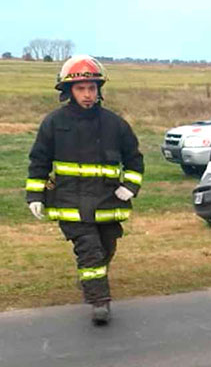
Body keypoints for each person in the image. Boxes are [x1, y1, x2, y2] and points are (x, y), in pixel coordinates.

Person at [25, 55, 144, 325]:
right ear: (69, 91)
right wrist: (35, 195)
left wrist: (130, 186)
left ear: (99, 89)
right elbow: (39, 161)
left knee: (105, 248)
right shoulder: (54, 123)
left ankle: (91, 279)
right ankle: (99, 302)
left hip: (107, 202)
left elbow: (134, 159)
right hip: (70, 202)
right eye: (81, 89)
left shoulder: (115, 124)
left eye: (92, 88)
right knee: (90, 250)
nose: (88, 94)